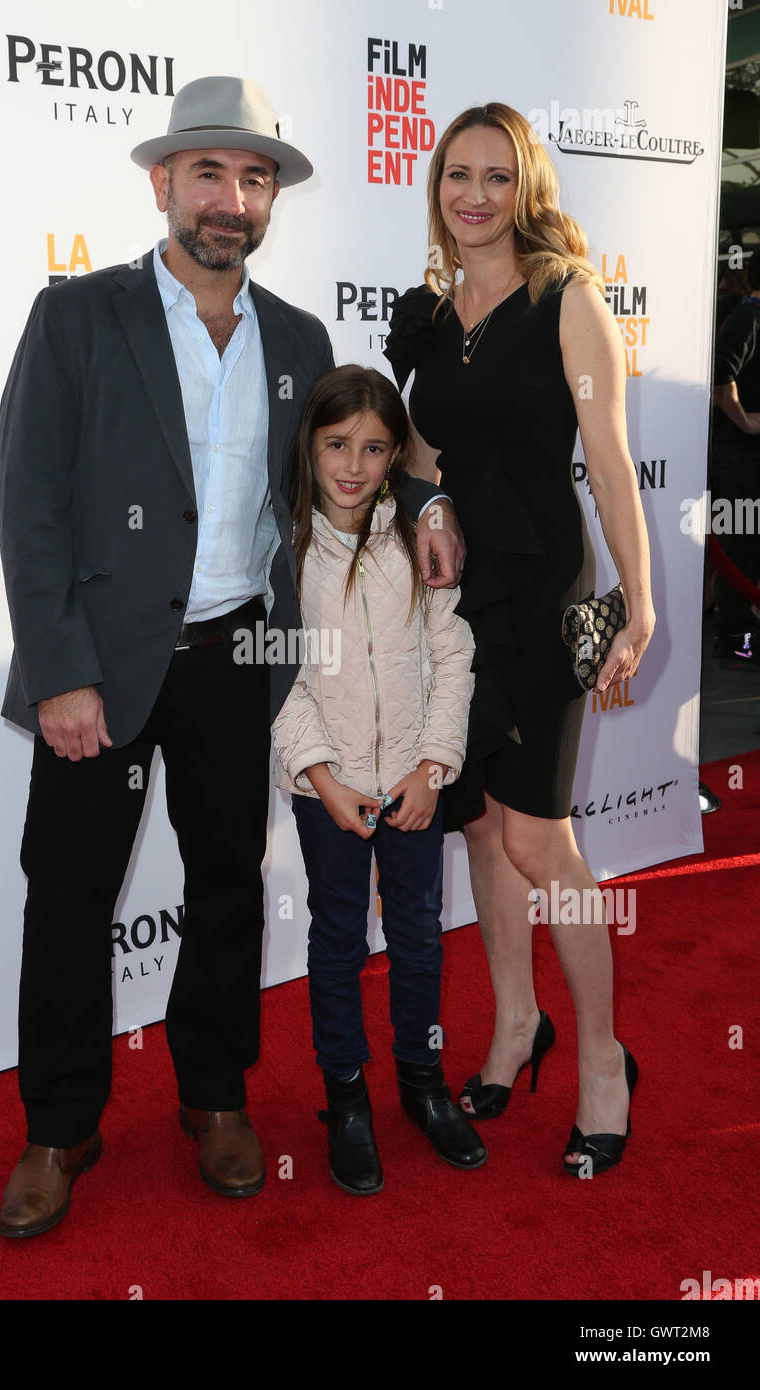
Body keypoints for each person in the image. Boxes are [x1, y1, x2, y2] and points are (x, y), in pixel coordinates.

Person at [0, 76, 449, 1236]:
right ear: (162, 183)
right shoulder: (78, 318)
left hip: (240, 656)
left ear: (270, 201)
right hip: (99, 659)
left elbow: (351, 467)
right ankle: (59, 1123)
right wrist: (58, 668)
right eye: (208, 173)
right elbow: (30, 502)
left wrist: (428, 501)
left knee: (227, 888)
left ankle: (213, 1097)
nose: (231, 199)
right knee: (67, 897)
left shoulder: (297, 337)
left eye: (253, 180)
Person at [384, 103, 655, 1177]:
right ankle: (510, 1024)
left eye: (498, 176)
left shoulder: (563, 297)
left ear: (526, 186)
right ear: (437, 186)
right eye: (458, 175)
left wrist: (638, 606)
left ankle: (599, 1058)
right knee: (482, 832)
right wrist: (427, 509)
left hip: (542, 589)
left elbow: (610, 457)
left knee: (539, 837)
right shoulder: (435, 308)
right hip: (458, 597)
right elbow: (418, 445)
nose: (475, 195)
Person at [272, 366, 484, 1194]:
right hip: (326, 786)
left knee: (420, 937)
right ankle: (346, 1097)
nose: (352, 466)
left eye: (371, 447)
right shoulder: (281, 545)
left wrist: (432, 768)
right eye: (335, 445)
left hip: (412, 780)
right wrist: (321, 777)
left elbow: (451, 652)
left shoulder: (418, 536)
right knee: (335, 940)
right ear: (309, 447)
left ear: (397, 453)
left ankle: (423, 1084)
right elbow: (277, 678)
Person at [711, 249, 760, 668]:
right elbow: (720, 373)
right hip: (740, 459)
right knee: (741, 548)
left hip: (746, 457)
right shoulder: (750, 313)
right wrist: (745, 422)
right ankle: (737, 641)